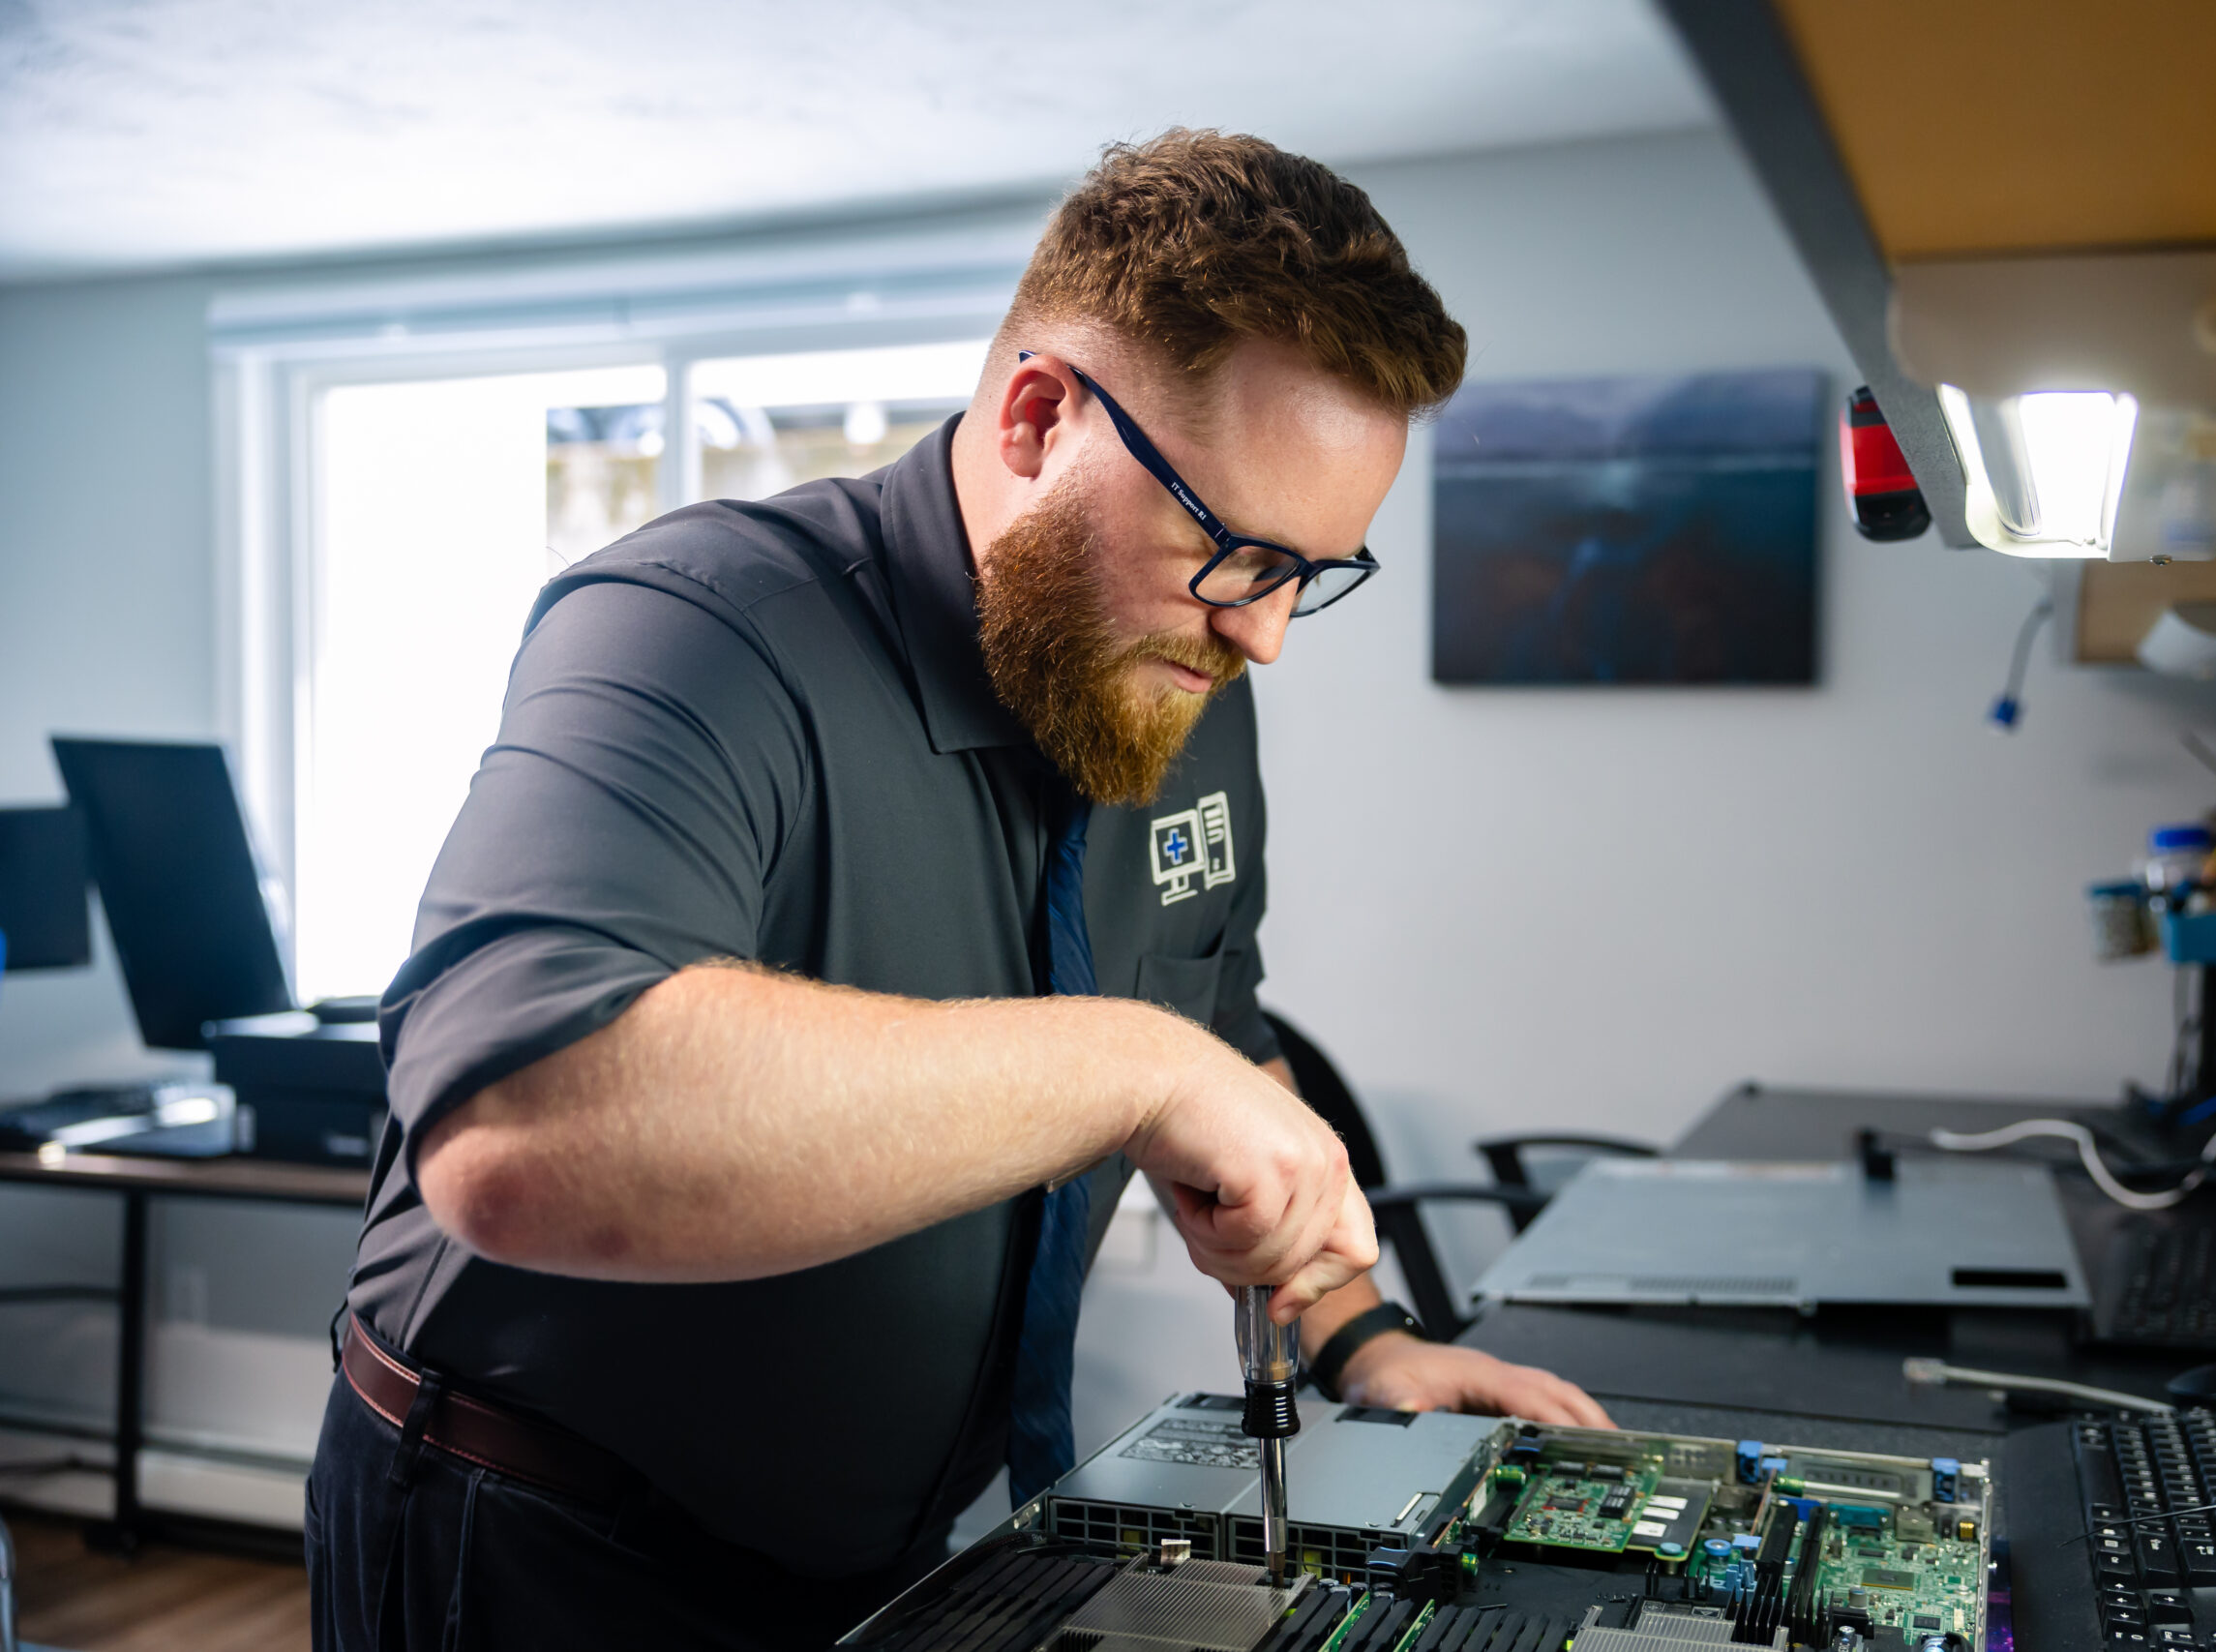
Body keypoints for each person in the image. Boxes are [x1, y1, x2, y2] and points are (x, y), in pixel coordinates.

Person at [307, 129, 1614, 1652]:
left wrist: (1357, 1333)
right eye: (1234, 550)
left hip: (889, 1554)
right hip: (535, 1548)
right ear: (1041, 418)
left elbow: (1213, 1018)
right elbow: (520, 1132)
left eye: (1309, 575)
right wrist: (1131, 1067)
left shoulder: (1186, 673)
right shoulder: (698, 624)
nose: (1264, 636)